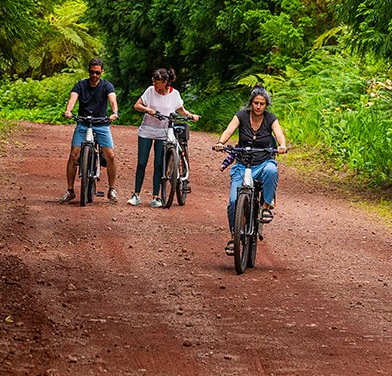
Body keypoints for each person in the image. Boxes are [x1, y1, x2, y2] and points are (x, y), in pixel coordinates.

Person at [212, 84, 289, 254]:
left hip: (263, 162)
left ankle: (267, 206)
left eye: (262, 104)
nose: (258, 106)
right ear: (251, 103)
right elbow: (229, 129)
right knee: (233, 201)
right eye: (256, 103)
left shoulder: (271, 119)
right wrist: (220, 143)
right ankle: (235, 236)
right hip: (242, 164)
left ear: (266, 105)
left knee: (271, 170)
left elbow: (279, 134)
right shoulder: (241, 116)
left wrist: (282, 145)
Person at [128, 68, 199, 206]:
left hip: (163, 132)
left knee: (159, 164)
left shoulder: (175, 94)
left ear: (165, 82)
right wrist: (147, 109)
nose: (155, 84)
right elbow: (137, 105)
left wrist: (191, 115)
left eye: (157, 82)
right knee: (141, 162)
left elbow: (181, 110)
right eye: (154, 81)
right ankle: (136, 194)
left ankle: (156, 197)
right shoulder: (150, 91)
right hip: (147, 130)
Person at [60, 58, 118, 203]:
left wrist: (114, 112)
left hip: (101, 123)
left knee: (110, 156)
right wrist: (68, 110)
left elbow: (112, 101)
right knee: (74, 155)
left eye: (97, 73)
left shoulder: (107, 86)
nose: (94, 75)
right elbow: (73, 99)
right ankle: (70, 190)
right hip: (83, 123)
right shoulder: (80, 85)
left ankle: (111, 189)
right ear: (88, 71)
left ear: (101, 72)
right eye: (92, 72)